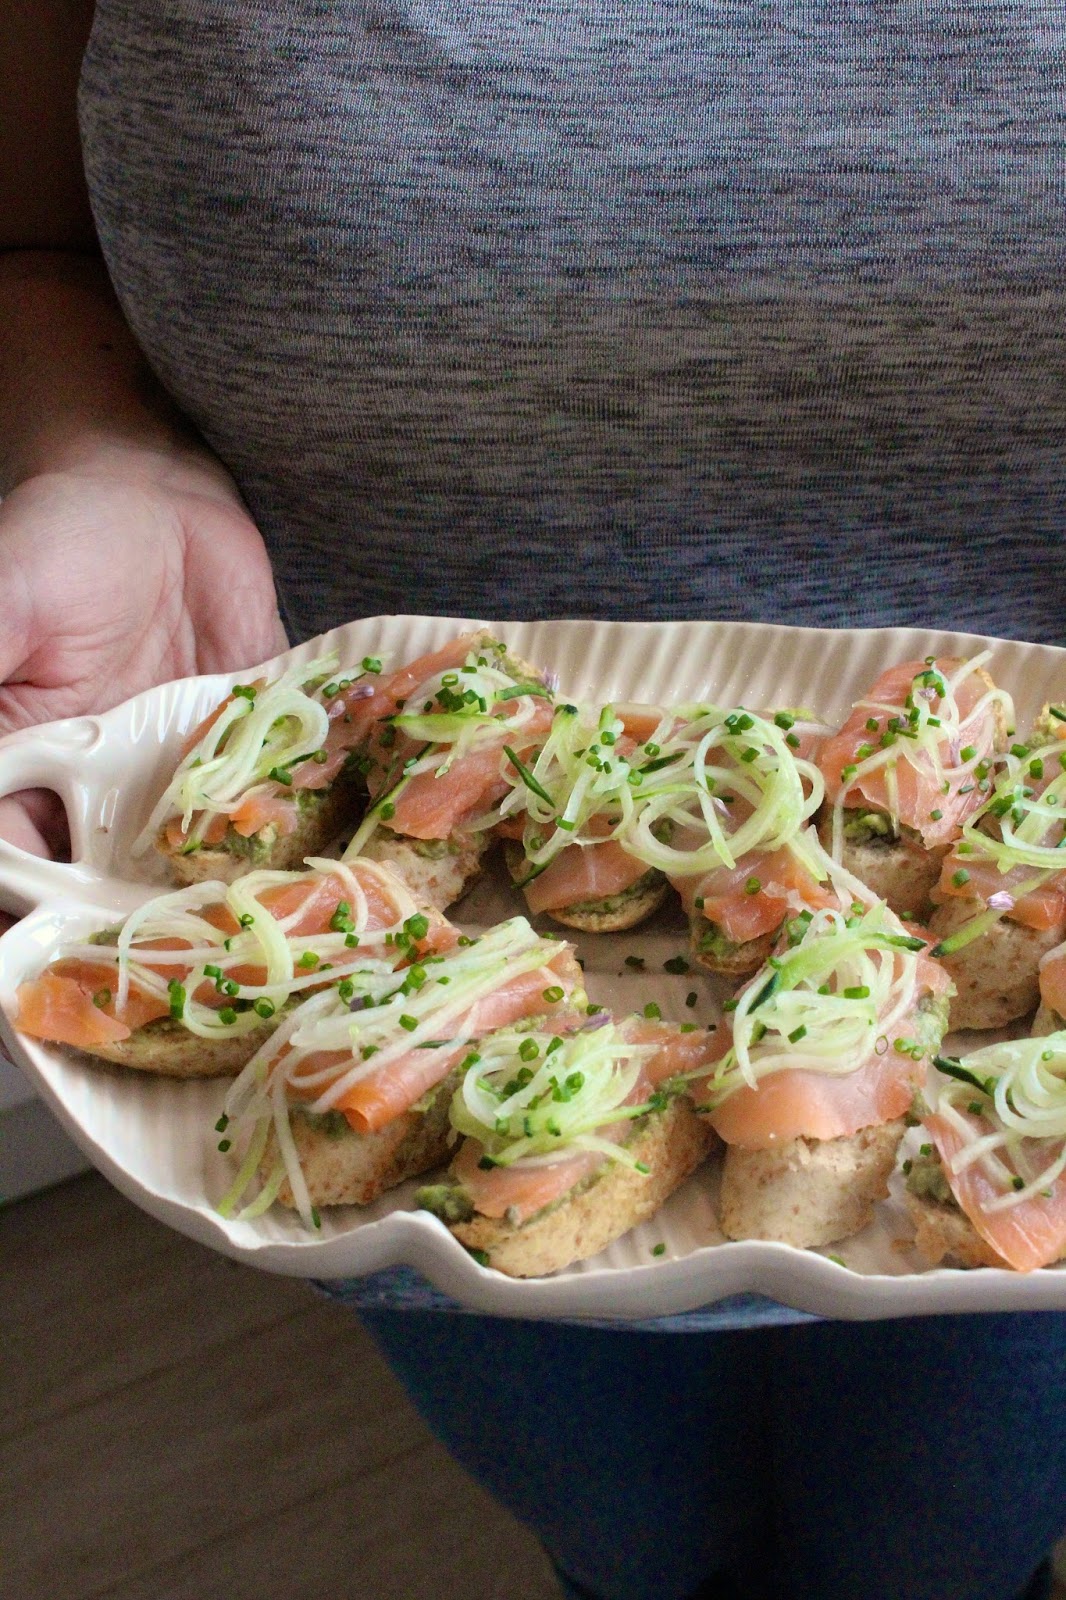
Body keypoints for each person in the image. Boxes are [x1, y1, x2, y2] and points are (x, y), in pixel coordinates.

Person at [3, 5, 1066, 1596]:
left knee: (943, 1545)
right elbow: (34, 238)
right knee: (626, 1536)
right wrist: (109, 465)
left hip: (1020, 910)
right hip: (352, 747)